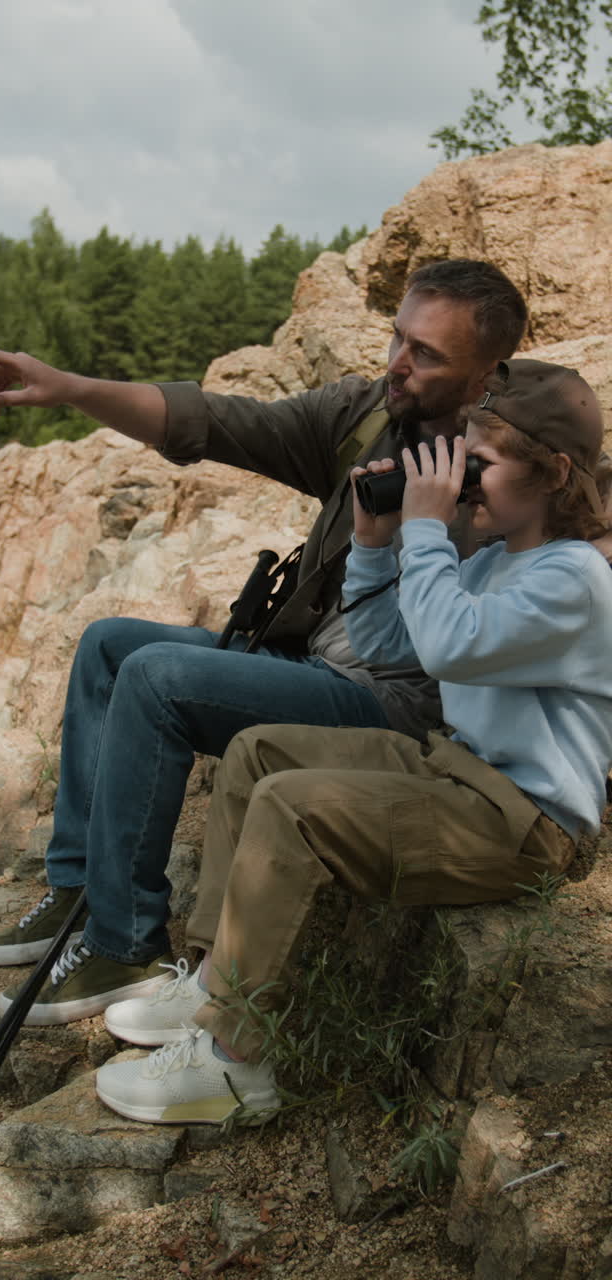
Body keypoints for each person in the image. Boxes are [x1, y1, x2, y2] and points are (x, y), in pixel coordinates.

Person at [0, 260, 532, 1022]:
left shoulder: (516, 466)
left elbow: (585, 515)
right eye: (399, 337)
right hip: (307, 658)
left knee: (158, 679)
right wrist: (71, 387)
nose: (398, 362)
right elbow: (215, 422)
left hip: (394, 708)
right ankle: (76, 888)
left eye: (426, 354)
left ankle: (124, 947)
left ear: (489, 371)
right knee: (109, 646)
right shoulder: (367, 417)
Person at [93, 358, 612, 1126]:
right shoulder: (501, 556)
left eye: (482, 463)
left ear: (556, 472)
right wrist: (376, 546)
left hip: (522, 821)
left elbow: (449, 647)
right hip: (455, 769)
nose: (460, 477)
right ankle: (212, 981)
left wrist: (430, 530)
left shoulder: (575, 579)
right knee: (258, 754)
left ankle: (235, 1063)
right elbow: (391, 645)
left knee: (294, 808)